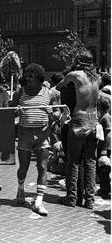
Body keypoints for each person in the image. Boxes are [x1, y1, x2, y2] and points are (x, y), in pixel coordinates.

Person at [10, 63, 60, 216]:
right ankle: (20, 189)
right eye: (27, 76)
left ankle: (39, 201)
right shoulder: (20, 93)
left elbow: (58, 113)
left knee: (42, 167)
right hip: (24, 134)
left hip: (43, 134)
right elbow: (10, 110)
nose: (28, 78)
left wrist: (52, 113)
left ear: (39, 78)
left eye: (32, 76)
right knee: (23, 168)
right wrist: (16, 111)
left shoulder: (50, 94)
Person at [56, 51, 101, 209]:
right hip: (94, 121)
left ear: (77, 61)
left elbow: (58, 86)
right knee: (90, 162)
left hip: (79, 120)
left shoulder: (75, 75)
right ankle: (89, 200)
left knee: (73, 162)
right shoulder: (98, 77)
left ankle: (72, 197)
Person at [96, 95, 111, 198]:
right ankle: (103, 188)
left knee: (104, 169)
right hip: (101, 147)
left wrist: (105, 150)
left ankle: (105, 190)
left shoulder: (106, 117)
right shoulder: (103, 116)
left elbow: (109, 134)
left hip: (105, 148)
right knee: (101, 169)